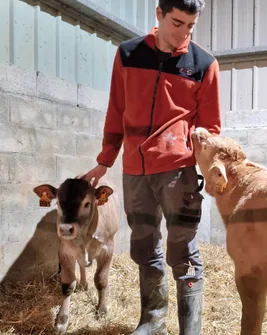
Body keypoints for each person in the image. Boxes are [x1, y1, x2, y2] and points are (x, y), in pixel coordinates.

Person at [83, 0, 221, 333]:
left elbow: (211, 128)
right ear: (159, 14)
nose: (184, 33)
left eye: (191, 26)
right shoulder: (128, 54)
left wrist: (211, 168)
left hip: (179, 173)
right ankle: (152, 321)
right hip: (134, 173)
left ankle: (191, 329)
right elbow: (116, 109)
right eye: (178, 23)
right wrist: (105, 160)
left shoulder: (204, 64)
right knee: (144, 246)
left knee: (182, 250)